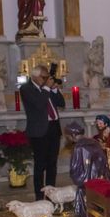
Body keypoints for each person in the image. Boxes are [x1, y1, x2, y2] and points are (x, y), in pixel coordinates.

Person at [20, 65, 65, 200]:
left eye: (47, 78)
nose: (46, 80)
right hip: (39, 132)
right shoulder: (26, 89)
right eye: (44, 77)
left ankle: (51, 195)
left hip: (53, 129)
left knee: (52, 164)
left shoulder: (47, 89)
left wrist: (55, 90)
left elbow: (61, 103)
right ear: (35, 76)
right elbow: (39, 104)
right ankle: (39, 197)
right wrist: (46, 88)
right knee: (40, 165)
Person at [66, 122, 110, 217]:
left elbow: (75, 170)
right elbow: (103, 162)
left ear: (73, 134)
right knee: (100, 210)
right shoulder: (94, 143)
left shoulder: (79, 148)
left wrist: (80, 181)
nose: (67, 138)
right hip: (99, 184)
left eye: (68, 135)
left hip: (86, 186)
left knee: (84, 212)